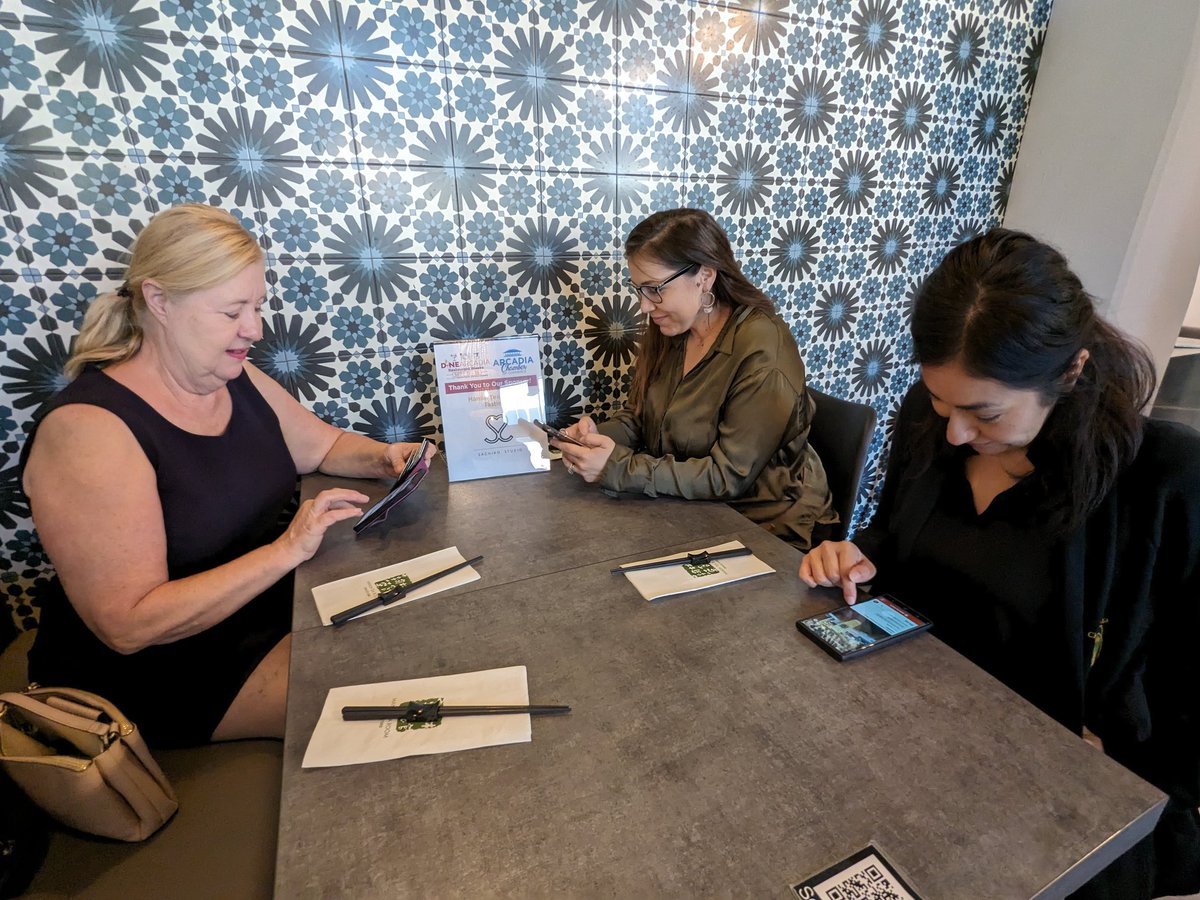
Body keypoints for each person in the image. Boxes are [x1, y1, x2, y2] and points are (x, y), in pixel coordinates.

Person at [799, 228, 1199, 899]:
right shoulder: (931, 424)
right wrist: (857, 554)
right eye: (940, 399)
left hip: (1050, 793)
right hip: (907, 738)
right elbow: (895, 540)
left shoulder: (1162, 482)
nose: (954, 431)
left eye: (983, 413)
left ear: (1068, 372)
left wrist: (1128, 770)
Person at [20, 203, 431, 748]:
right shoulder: (88, 431)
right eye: (232, 310)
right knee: (394, 698)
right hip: (155, 670)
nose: (254, 329)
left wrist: (384, 458)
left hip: (255, 610)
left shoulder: (232, 375)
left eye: (257, 306)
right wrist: (288, 550)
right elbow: (129, 626)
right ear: (158, 300)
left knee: (418, 633)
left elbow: (324, 445)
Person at [553, 208, 836, 549]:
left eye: (655, 289)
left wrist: (615, 468)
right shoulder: (672, 328)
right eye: (639, 289)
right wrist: (592, 438)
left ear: (704, 276)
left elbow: (727, 477)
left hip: (768, 527)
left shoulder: (763, 352)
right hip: (690, 509)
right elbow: (640, 418)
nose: (644, 306)